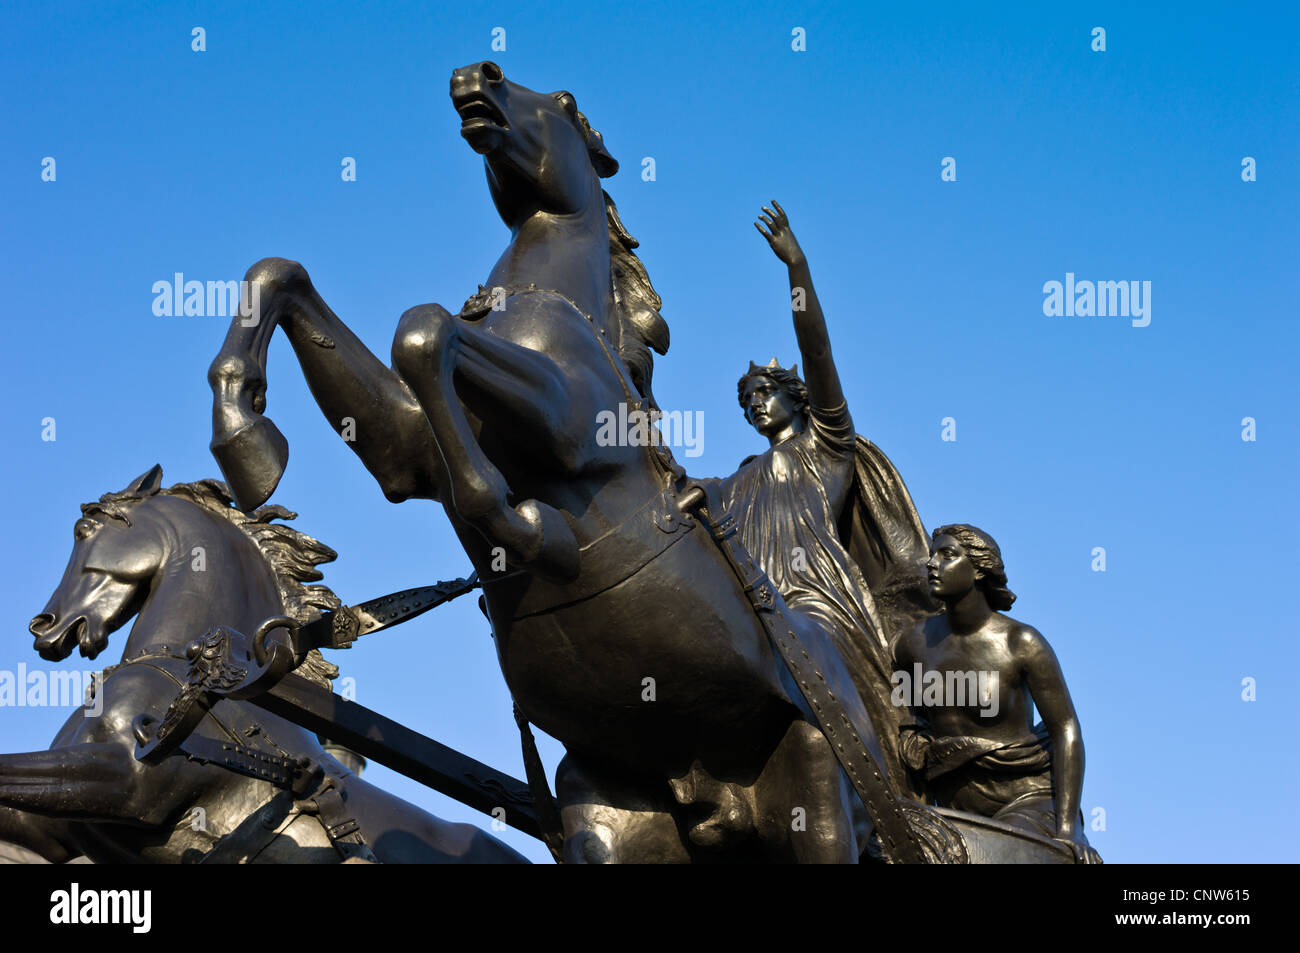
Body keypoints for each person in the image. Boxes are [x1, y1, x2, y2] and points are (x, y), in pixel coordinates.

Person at [718, 201, 931, 796]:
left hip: (818, 601)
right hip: (751, 602)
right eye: (746, 401)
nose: (755, 404)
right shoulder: (736, 480)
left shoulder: (826, 444)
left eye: (764, 392)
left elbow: (819, 355)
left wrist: (797, 269)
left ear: (795, 396)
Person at [892, 524, 1100, 862]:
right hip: (954, 806)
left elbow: (1065, 730)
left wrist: (1068, 829)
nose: (932, 564)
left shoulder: (1021, 644)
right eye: (932, 555)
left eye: (947, 555)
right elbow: (908, 720)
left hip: (1026, 798)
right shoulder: (910, 645)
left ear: (978, 570)